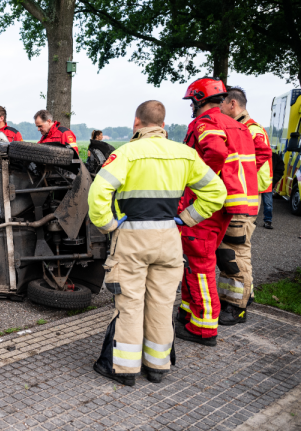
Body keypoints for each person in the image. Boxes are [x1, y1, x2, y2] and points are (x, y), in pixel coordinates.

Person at [90, 100, 226, 386]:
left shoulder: (127, 153)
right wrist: (187, 218)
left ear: (136, 122)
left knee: (129, 304)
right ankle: (157, 366)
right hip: (169, 238)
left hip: (133, 239)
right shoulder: (185, 154)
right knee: (163, 303)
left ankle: (124, 370)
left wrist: (109, 225)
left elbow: (99, 193)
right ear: (163, 125)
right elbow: (216, 192)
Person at [176, 77, 264, 346]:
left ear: (198, 100)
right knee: (195, 262)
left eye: (192, 101)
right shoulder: (239, 127)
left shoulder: (206, 123)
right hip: (226, 208)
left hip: (204, 208)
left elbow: (213, 153)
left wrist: (195, 189)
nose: (191, 106)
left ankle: (204, 327)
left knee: (200, 265)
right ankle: (189, 312)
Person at [217, 86, 272, 325]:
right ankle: (234, 300)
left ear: (232, 104)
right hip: (241, 197)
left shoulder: (251, 130)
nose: (219, 110)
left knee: (237, 254)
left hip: (246, 199)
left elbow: (257, 158)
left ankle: (238, 307)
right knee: (230, 254)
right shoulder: (242, 128)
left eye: (221, 105)